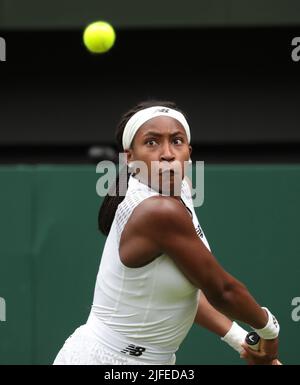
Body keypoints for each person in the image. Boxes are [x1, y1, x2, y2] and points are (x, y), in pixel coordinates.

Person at [53, 100, 280, 365]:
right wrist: (269, 330)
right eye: (152, 142)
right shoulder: (159, 212)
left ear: (189, 152)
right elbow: (222, 290)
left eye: (176, 141)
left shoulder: (181, 187)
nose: (167, 153)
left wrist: (242, 341)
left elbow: (188, 291)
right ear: (130, 158)